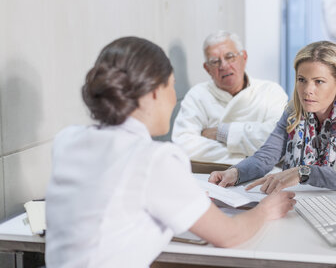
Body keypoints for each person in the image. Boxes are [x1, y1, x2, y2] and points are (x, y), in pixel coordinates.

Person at [45, 37, 296, 267]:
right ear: (155, 91)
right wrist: (266, 210)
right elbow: (230, 235)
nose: (175, 98)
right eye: (172, 86)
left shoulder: (67, 140)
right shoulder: (156, 159)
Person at [209, 41, 336, 193]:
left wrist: (304, 172)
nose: (308, 90)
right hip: (302, 199)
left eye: (319, 82)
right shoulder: (293, 112)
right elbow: (265, 157)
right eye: (302, 80)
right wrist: (235, 173)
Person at [172, 30, 288, 163]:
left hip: (265, 176)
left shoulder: (270, 92)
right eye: (215, 61)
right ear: (207, 68)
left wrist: (222, 133)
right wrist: (250, 158)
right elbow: (184, 145)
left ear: (244, 57)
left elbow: (279, 139)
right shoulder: (197, 95)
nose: (224, 66)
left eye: (229, 57)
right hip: (211, 177)